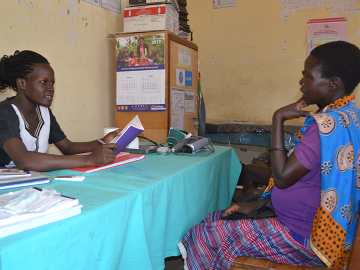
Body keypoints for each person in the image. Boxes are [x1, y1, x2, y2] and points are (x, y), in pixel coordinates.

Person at [178, 41, 360, 270]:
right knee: (213, 220)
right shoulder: (348, 117)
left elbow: (282, 178)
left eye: (309, 77)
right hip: (304, 226)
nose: (302, 82)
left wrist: (278, 119)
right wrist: (259, 205)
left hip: (302, 239)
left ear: (333, 84)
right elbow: (310, 183)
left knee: (204, 235)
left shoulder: (326, 127)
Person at [0, 50, 120, 171]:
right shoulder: (5, 113)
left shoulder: (43, 112)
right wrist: (88, 160)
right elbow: (24, 161)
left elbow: (67, 147)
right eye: (43, 82)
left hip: (34, 180)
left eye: (52, 83)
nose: (51, 88)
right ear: (22, 83)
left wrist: (102, 142)